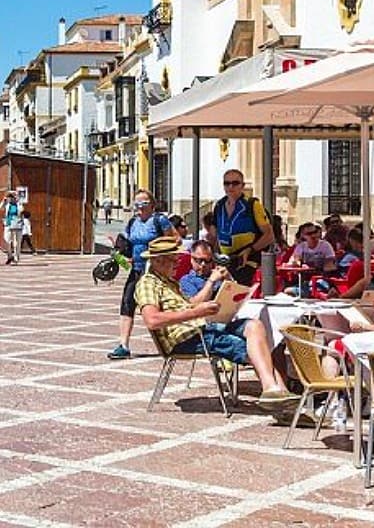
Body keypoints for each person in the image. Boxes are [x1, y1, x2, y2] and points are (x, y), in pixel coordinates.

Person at [135, 237, 294, 406]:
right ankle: (280, 397)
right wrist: (198, 311)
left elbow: (188, 307)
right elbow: (152, 320)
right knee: (255, 347)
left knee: (255, 327)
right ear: (158, 260)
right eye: (174, 260)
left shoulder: (170, 282)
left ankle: (275, 390)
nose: (177, 263)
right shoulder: (148, 283)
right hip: (188, 337)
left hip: (203, 327)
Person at [108, 189, 177, 360]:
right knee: (127, 302)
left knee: (158, 306)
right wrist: (122, 256)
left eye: (144, 204)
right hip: (137, 268)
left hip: (154, 270)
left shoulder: (159, 220)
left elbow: (175, 240)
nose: (140, 208)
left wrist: (159, 254)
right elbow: (128, 245)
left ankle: (174, 341)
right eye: (136, 204)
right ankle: (123, 345)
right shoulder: (132, 223)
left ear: (152, 206)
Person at [208, 170, 274, 285]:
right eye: (227, 183)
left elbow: (269, 236)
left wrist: (250, 250)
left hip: (246, 263)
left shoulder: (252, 205)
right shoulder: (219, 206)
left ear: (242, 186)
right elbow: (214, 235)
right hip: (224, 263)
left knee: (239, 296)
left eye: (235, 183)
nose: (231, 186)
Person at [3, 192, 23, 265]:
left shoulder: (18, 204)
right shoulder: (7, 204)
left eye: (12, 197)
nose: (10, 199)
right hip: (8, 224)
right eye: (9, 197)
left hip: (17, 225)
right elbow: (1, 208)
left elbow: (21, 211)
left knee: (17, 243)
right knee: (7, 241)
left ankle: (16, 258)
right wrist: (4, 201)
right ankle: (10, 256)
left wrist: (19, 202)